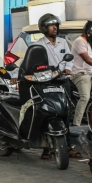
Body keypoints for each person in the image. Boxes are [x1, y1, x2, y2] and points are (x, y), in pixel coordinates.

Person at [34, 13, 79, 159]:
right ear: (44, 28)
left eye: (56, 25)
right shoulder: (39, 45)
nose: (55, 28)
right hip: (46, 82)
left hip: (62, 81)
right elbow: (34, 63)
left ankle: (67, 145)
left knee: (65, 112)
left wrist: (68, 68)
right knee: (46, 112)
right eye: (52, 26)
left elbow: (69, 59)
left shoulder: (63, 42)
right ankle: (46, 148)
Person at [70, 21, 92, 126]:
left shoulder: (88, 43)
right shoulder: (79, 41)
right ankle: (76, 124)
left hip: (90, 73)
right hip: (81, 74)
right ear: (89, 32)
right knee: (85, 97)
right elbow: (88, 59)